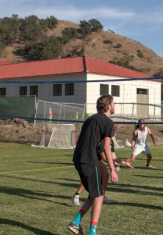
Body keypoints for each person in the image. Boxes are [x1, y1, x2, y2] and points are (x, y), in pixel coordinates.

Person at [68, 95, 118, 235]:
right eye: (114, 103)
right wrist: (113, 169)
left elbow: (96, 145)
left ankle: (76, 222)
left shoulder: (90, 119)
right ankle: (92, 232)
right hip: (89, 160)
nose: (115, 106)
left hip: (79, 158)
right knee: (99, 195)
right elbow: (107, 147)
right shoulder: (108, 121)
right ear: (109, 106)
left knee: (95, 193)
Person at [71, 127, 128, 207]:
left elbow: (113, 157)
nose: (115, 131)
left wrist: (123, 162)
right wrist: (112, 163)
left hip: (99, 160)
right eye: (113, 129)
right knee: (91, 178)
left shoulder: (111, 141)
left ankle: (102, 196)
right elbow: (104, 158)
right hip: (93, 159)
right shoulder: (102, 140)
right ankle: (76, 195)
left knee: (105, 175)